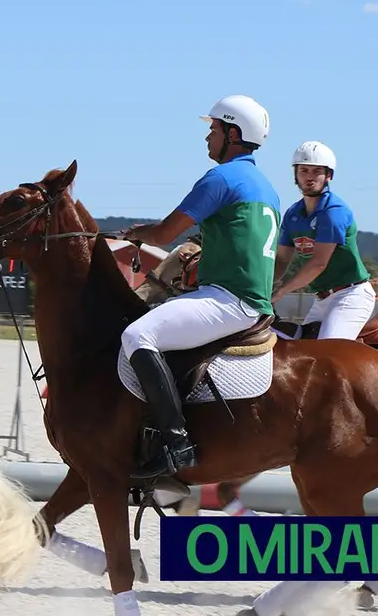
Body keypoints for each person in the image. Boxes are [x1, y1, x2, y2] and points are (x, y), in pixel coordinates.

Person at [118, 95, 283, 479]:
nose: (207, 137)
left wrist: (135, 234)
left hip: (227, 299)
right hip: (247, 300)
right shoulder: (267, 187)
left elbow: (164, 232)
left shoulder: (222, 178)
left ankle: (177, 444)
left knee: (137, 335)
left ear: (232, 133)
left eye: (213, 129)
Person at [271, 141, 375, 339]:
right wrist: (261, 286)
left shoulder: (334, 212)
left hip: (350, 296)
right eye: (304, 170)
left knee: (324, 353)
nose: (309, 177)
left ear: (329, 175)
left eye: (317, 171)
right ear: (295, 174)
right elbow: (282, 260)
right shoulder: (293, 213)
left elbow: (318, 263)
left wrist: (282, 291)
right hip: (321, 299)